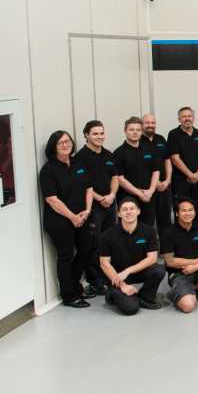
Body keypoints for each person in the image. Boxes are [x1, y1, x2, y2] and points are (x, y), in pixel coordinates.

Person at [39, 130, 94, 307]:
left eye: (68, 141)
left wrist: (87, 210)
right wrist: (72, 217)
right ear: (53, 147)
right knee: (66, 256)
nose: (65, 145)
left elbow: (89, 187)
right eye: (61, 143)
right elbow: (51, 199)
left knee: (85, 250)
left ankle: (75, 284)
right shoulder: (48, 170)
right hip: (59, 221)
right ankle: (69, 295)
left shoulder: (78, 162)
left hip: (82, 217)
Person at [98, 197, 165, 314]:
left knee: (159, 270)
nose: (128, 212)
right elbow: (104, 263)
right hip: (117, 276)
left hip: (137, 271)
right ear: (119, 214)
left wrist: (128, 271)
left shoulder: (149, 231)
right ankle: (113, 294)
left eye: (132, 208)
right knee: (131, 308)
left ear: (138, 211)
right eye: (124, 209)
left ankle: (145, 297)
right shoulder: (107, 235)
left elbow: (152, 258)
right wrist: (123, 285)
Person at [74, 119, 119, 294]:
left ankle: (108, 275)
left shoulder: (108, 155)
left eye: (101, 133)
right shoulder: (80, 158)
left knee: (109, 241)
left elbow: (115, 177)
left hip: (110, 204)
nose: (99, 137)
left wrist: (112, 195)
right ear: (86, 135)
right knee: (94, 244)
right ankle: (95, 280)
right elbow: (84, 186)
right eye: (95, 134)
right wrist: (101, 198)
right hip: (93, 207)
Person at [114, 117, 161, 228]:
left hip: (149, 197)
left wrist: (150, 191)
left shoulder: (149, 149)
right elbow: (120, 179)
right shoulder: (118, 153)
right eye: (131, 130)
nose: (135, 132)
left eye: (138, 130)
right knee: (128, 229)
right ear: (125, 131)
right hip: (128, 199)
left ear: (141, 131)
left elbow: (156, 171)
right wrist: (140, 194)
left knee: (148, 228)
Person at [167, 106, 198, 223]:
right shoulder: (174, 134)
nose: (187, 119)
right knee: (181, 209)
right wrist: (190, 174)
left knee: (197, 207)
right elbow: (175, 158)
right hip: (181, 180)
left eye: (189, 116)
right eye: (184, 116)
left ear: (193, 118)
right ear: (179, 119)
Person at [141, 113, 172, 232]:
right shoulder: (138, 142)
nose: (150, 125)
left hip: (165, 187)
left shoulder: (161, 139)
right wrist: (156, 183)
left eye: (153, 123)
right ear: (142, 124)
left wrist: (167, 180)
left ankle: (166, 249)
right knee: (147, 221)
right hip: (148, 189)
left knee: (165, 220)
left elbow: (167, 160)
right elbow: (142, 168)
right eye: (147, 123)